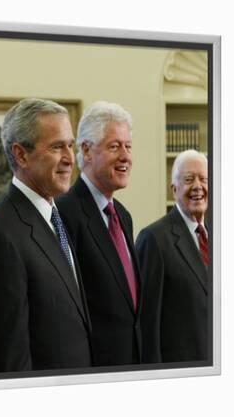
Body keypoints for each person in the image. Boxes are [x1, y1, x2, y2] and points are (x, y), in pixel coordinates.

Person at [0, 98, 92, 372]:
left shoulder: (54, 214)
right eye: (56, 147)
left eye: (70, 146)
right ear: (21, 154)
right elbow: (9, 355)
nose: (69, 159)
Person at [55, 101, 142, 366]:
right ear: (86, 151)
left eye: (128, 146)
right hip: (93, 369)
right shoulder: (64, 212)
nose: (125, 156)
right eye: (114, 146)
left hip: (133, 364)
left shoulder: (123, 216)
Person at [136, 150, 209, 363]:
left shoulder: (221, 236)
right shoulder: (154, 239)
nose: (198, 186)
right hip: (179, 371)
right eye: (189, 179)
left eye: (203, 179)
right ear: (174, 188)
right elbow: (147, 324)